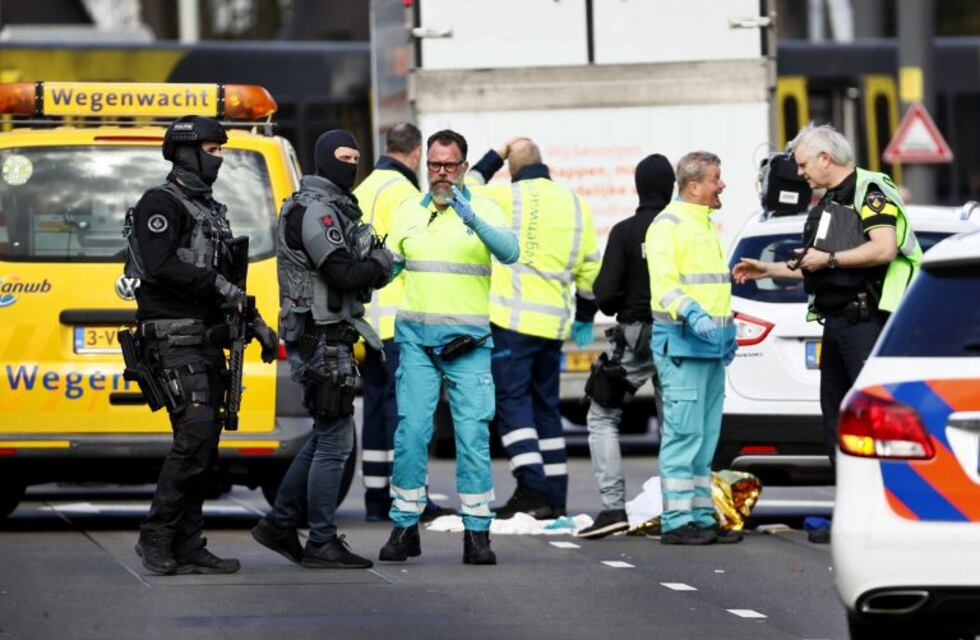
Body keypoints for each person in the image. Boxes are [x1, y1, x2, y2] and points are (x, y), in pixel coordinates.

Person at [130, 116, 279, 575]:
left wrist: (256, 325)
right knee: (194, 437)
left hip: (207, 341)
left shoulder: (211, 209)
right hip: (173, 341)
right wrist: (216, 284)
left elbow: (231, 282)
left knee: (204, 444)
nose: (220, 158)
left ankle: (188, 543)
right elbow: (158, 265)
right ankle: (155, 537)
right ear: (187, 152)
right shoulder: (161, 202)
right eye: (213, 150)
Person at [733, 123, 922, 467]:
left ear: (825, 158)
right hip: (836, 324)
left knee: (872, 417)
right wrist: (768, 269)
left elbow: (884, 248)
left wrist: (831, 259)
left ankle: (881, 505)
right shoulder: (831, 200)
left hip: (867, 322)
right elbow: (815, 262)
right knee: (835, 420)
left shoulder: (871, 189)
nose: (800, 173)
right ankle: (847, 503)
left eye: (804, 165)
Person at [250, 130, 393, 569]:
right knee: (336, 440)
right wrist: (381, 264)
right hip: (319, 336)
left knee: (325, 435)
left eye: (355, 157)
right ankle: (321, 540)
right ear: (322, 159)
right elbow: (344, 273)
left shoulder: (332, 208)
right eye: (342, 157)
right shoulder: (316, 211)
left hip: (328, 333)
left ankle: (280, 522)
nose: (350, 164)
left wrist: (372, 268)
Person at [379, 129, 519, 565]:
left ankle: (477, 533)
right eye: (435, 166)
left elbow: (510, 252)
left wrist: (471, 215)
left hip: (468, 345)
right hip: (417, 344)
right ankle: (404, 526)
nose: (441, 174)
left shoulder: (486, 206)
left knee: (473, 436)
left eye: (450, 166)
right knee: (412, 432)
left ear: (463, 166)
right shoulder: (407, 212)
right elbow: (389, 270)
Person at [466, 138, 600, 520]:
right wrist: (586, 317)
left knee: (512, 404)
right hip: (554, 325)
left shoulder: (504, 199)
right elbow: (591, 267)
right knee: (546, 409)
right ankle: (556, 496)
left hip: (511, 322)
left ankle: (531, 487)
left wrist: (495, 155)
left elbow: (464, 190)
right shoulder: (575, 204)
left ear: (512, 169)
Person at [576, 153, 674, 540]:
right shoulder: (682, 228)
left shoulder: (625, 231)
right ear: (671, 188)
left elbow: (605, 294)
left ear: (638, 187)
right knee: (676, 425)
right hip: (677, 336)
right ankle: (679, 507)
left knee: (602, 415)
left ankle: (613, 506)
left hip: (635, 337)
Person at [645, 151, 740, 545]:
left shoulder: (704, 225)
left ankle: (700, 515)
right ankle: (676, 520)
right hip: (683, 348)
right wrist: (695, 315)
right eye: (716, 178)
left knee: (704, 437)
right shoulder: (667, 226)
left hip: (710, 349)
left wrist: (727, 327)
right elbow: (665, 284)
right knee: (683, 437)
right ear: (694, 185)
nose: (722, 185)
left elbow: (714, 288)